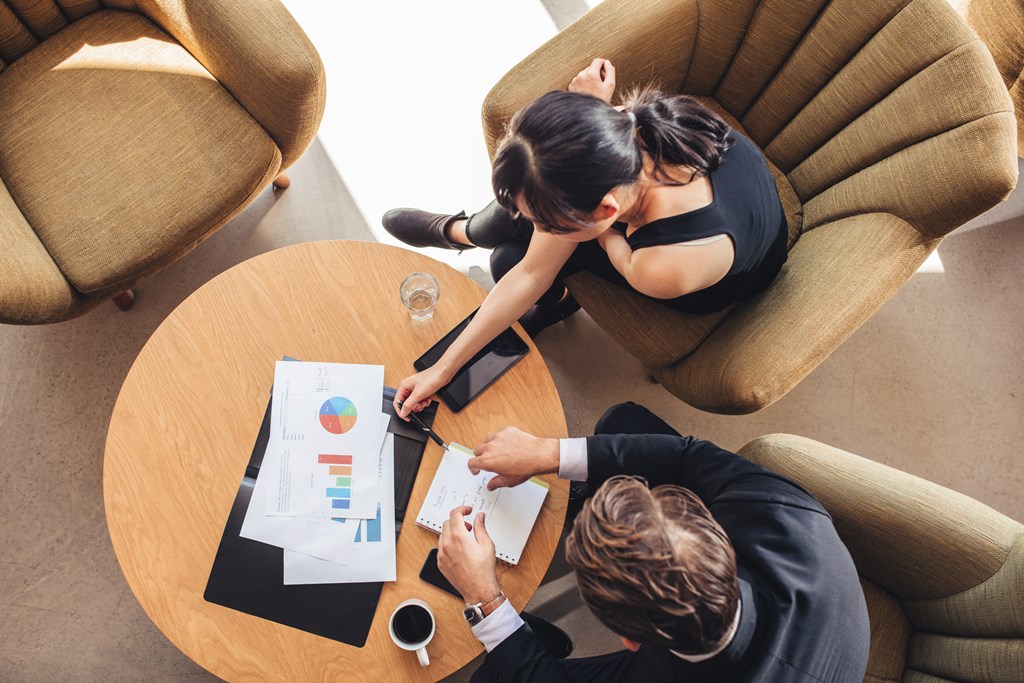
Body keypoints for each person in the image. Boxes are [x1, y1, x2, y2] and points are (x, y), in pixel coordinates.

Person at [388, 59, 788, 421]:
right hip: (660, 207)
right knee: (529, 210)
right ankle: (465, 231)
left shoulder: (662, 266)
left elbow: (536, 270)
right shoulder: (627, 128)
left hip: (701, 269)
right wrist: (442, 370)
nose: (543, 229)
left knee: (509, 259)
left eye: (552, 224)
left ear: (607, 214)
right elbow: (538, 262)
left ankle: (533, 286)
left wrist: (609, 240)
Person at [436, 402, 870, 682]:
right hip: (817, 610)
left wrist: (485, 598)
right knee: (621, 422)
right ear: (710, 526)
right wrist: (549, 453)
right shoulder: (781, 511)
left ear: (630, 640)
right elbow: (688, 454)